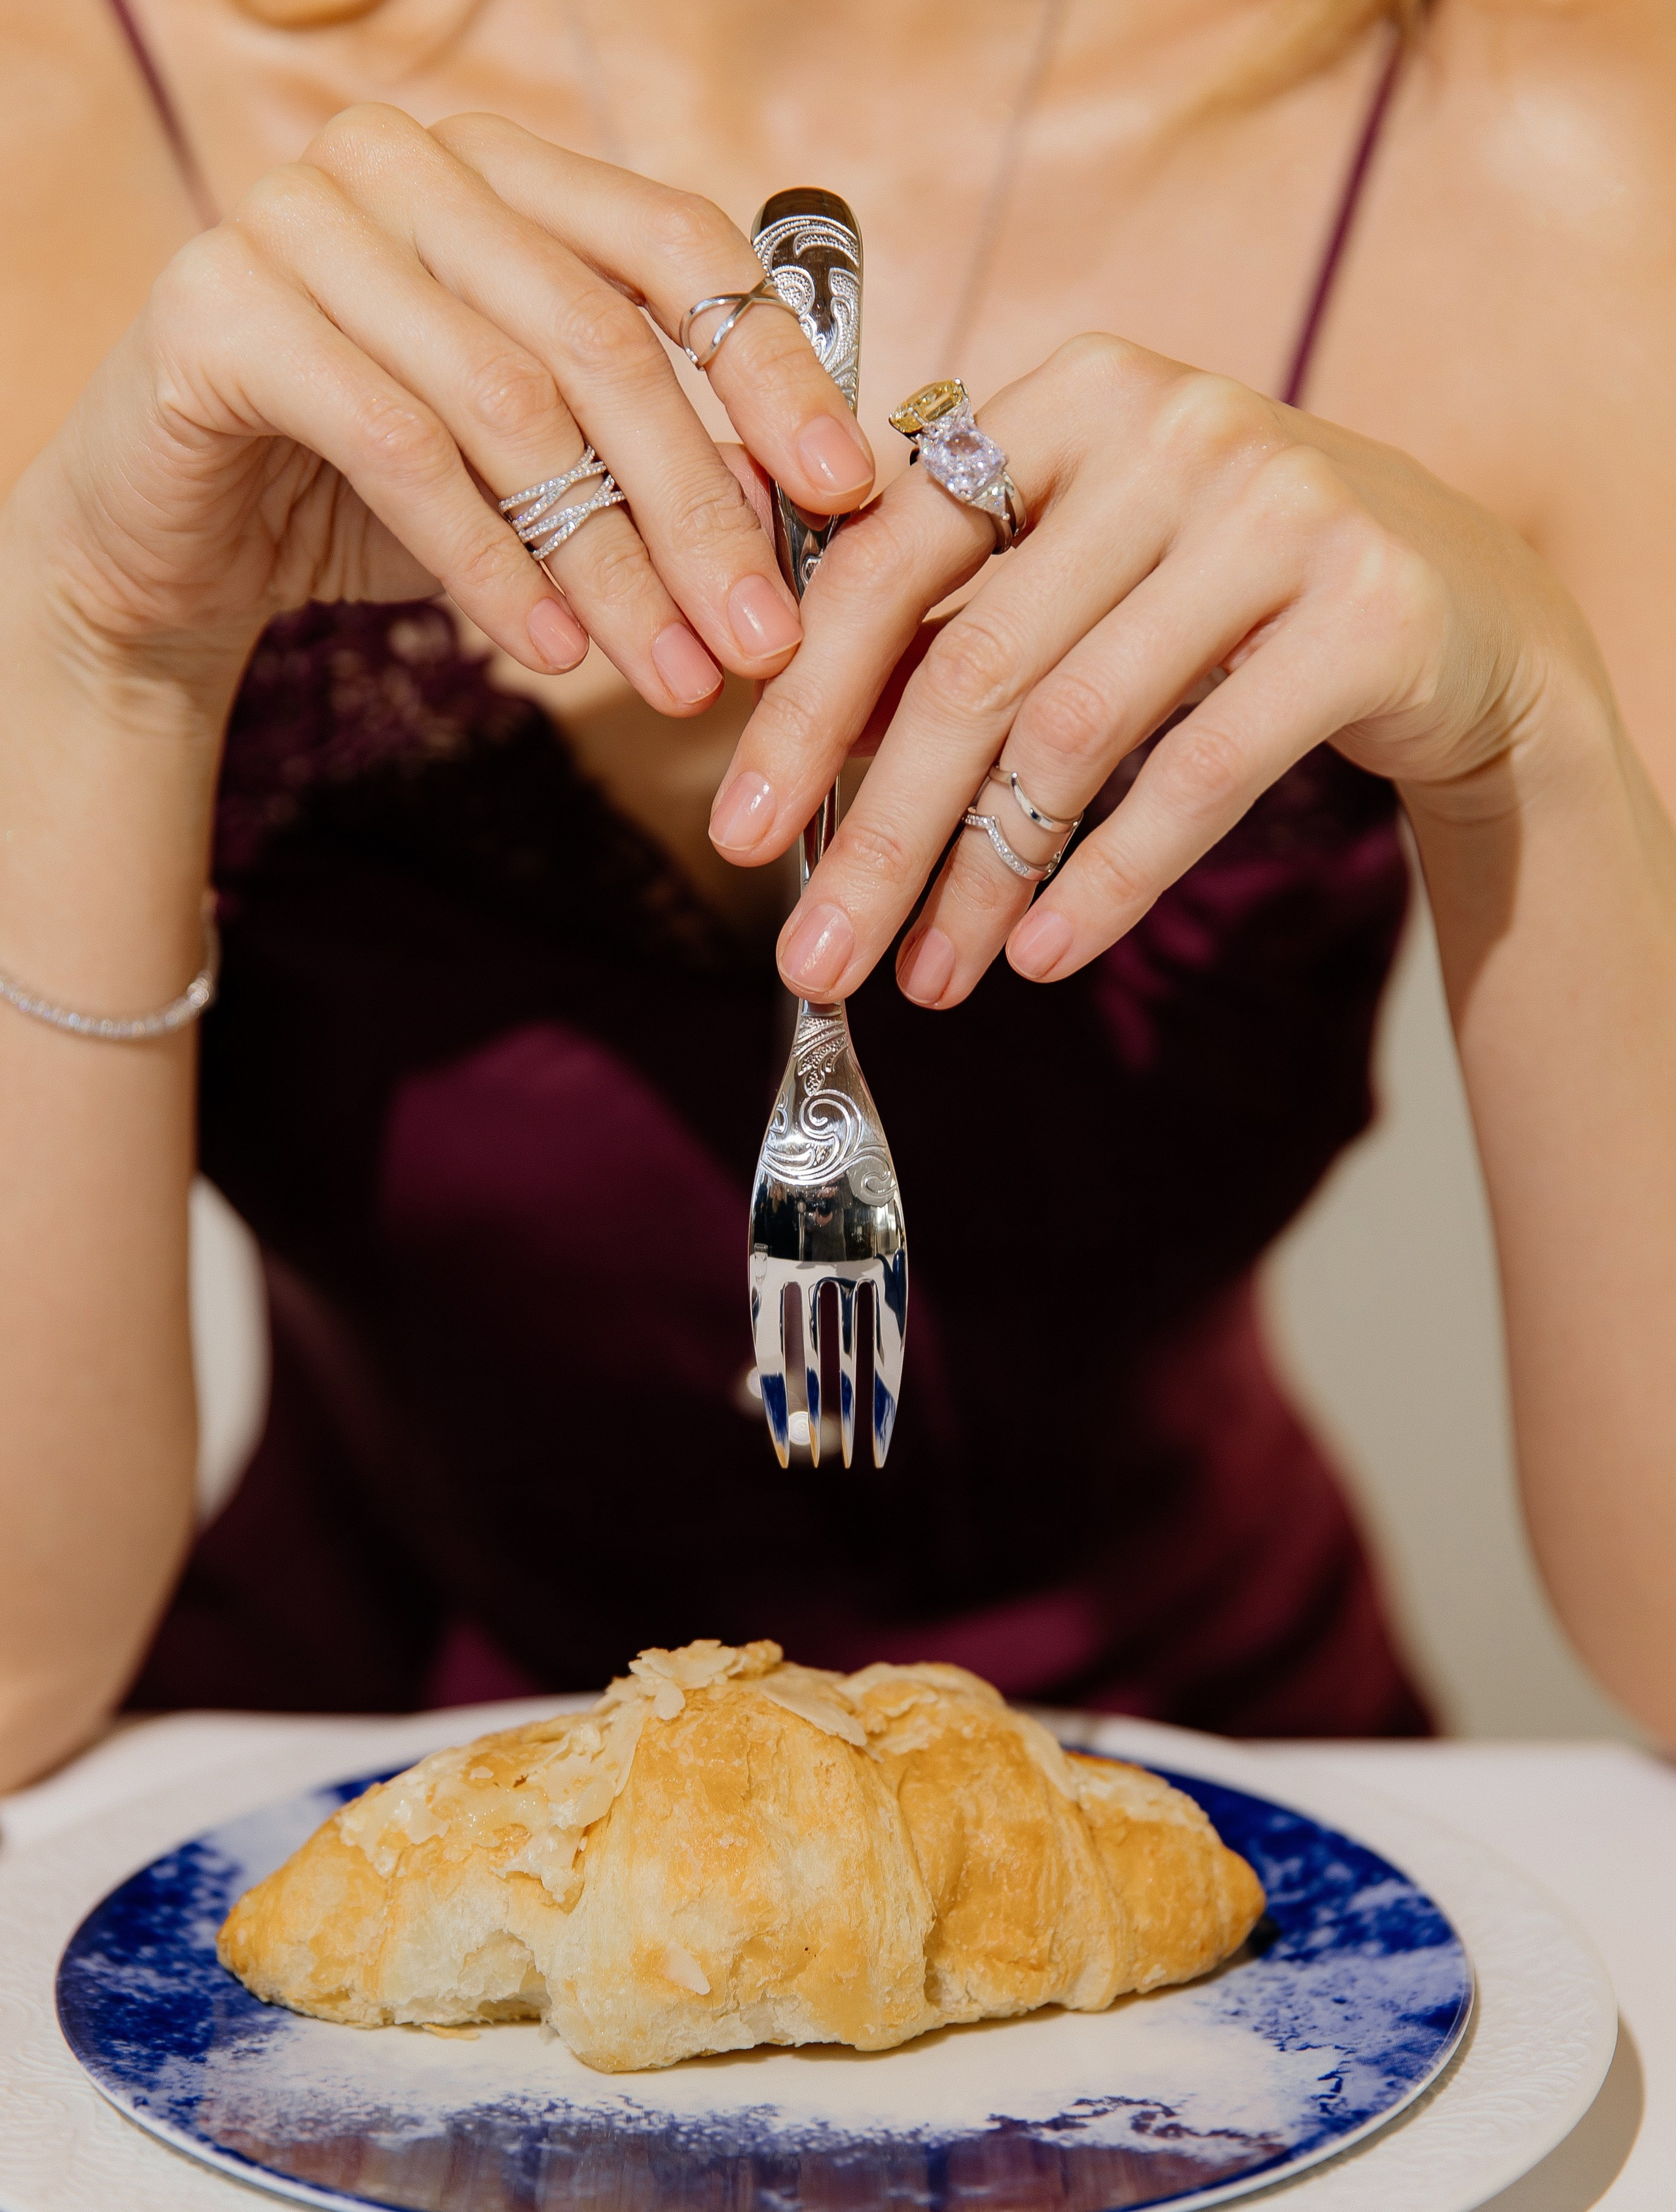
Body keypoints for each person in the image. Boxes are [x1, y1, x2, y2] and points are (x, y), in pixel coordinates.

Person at [2, 0, 1674, 1798]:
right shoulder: (67, 123)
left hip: (1218, 1858)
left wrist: (1533, 743)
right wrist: (104, 648)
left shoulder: (1545, 150)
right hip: (331, 1856)